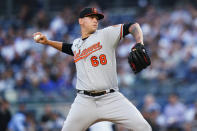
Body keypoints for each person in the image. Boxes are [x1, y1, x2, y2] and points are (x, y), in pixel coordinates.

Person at [33, 7, 152, 131]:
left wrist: (139, 43)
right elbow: (68, 48)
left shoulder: (106, 34)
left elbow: (133, 26)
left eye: (97, 18)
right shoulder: (77, 44)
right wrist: (48, 42)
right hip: (84, 101)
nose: (95, 20)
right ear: (81, 21)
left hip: (110, 98)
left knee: (144, 127)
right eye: (91, 17)